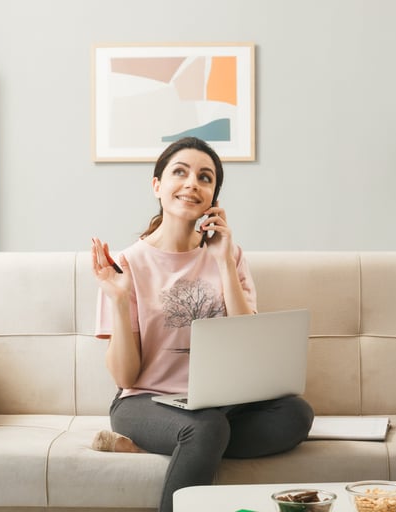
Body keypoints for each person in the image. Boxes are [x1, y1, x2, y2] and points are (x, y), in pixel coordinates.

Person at [90, 136, 314, 512]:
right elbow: (125, 378)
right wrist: (117, 298)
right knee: (205, 428)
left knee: (296, 415)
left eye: (205, 177)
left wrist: (224, 262)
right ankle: (187, 442)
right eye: (180, 172)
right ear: (157, 185)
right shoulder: (126, 264)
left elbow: (248, 343)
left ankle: (173, 448)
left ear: (213, 197)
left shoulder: (231, 255)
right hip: (147, 401)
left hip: (220, 404)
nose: (193, 182)